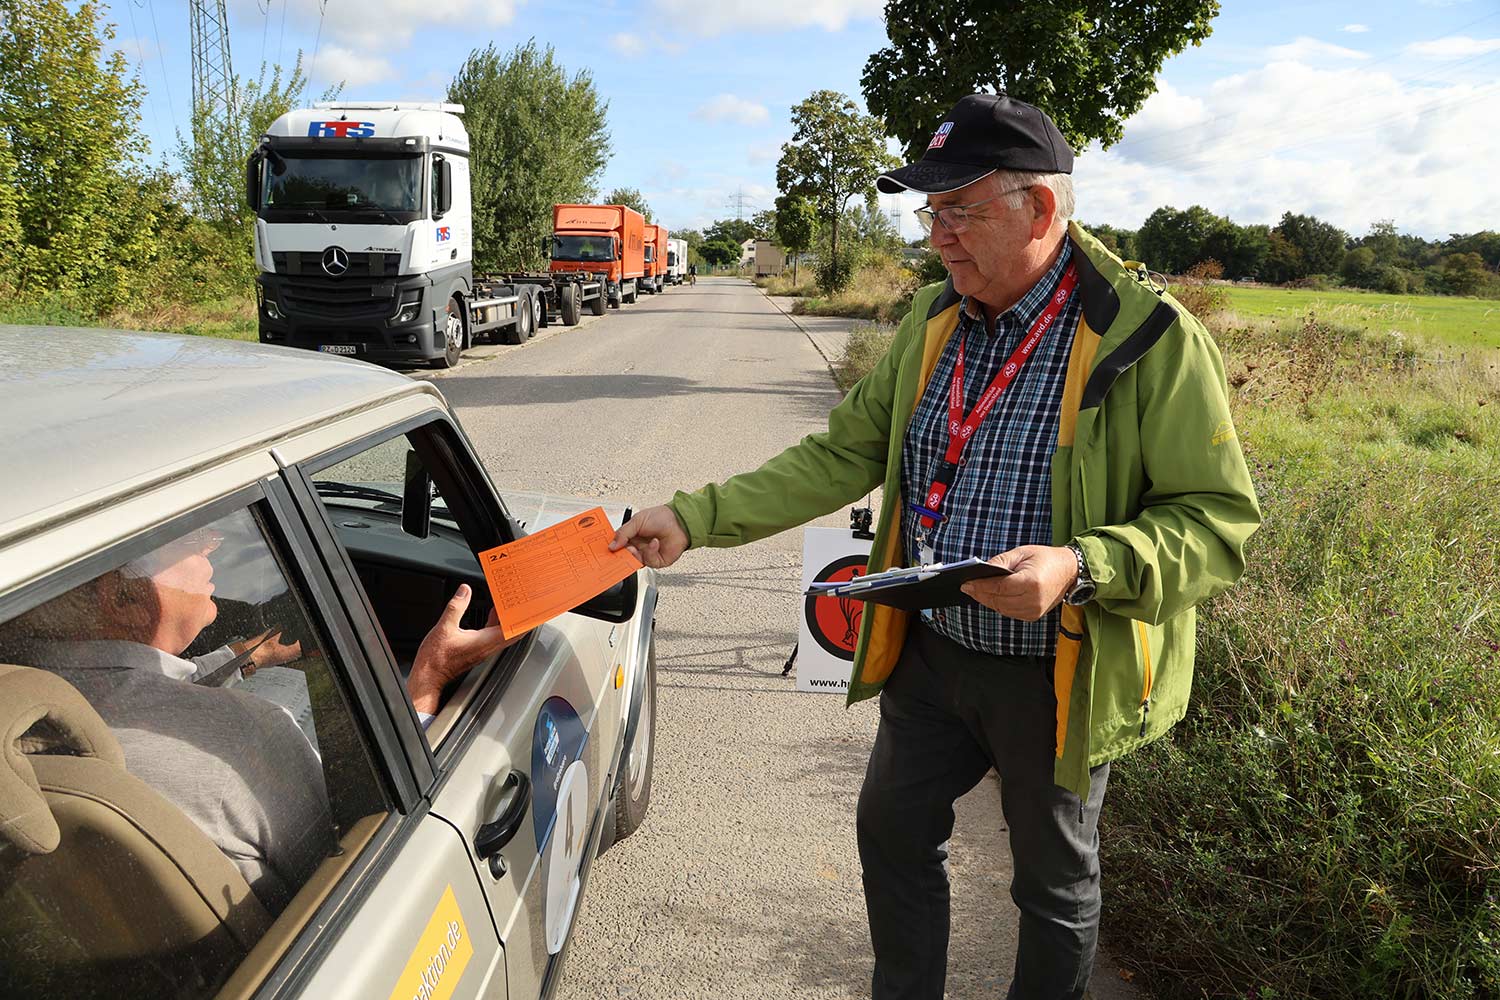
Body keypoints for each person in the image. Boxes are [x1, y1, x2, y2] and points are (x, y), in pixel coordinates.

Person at [610, 94, 1261, 1000]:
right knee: (891, 832)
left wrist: (1080, 566)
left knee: (1053, 885)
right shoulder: (932, 320)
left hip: (1057, 670)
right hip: (931, 657)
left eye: (962, 210)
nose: (939, 235)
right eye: (932, 212)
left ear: (1040, 210)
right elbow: (841, 452)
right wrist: (694, 516)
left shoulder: (1148, 339)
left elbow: (1216, 521)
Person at [4, 521, 514, 913]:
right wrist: (427, 681)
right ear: (121, 596)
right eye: (182, 535)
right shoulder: (247, 737)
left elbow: (149, 689)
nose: (212, 542)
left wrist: (249, 655)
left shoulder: (31, 695)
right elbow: (375, 849)